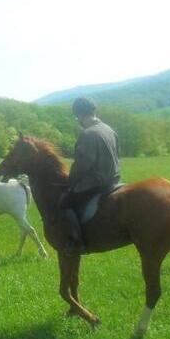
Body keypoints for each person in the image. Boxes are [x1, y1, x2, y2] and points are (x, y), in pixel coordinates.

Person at [59, 97, 121, 256]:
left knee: (65, 203)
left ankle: (76, 242)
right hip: (114, 179)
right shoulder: (109, 129)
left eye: (77, 117)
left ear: (79, 115)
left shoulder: (87, 134)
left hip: (96, 182)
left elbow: (83, 165)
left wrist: (70, 181)